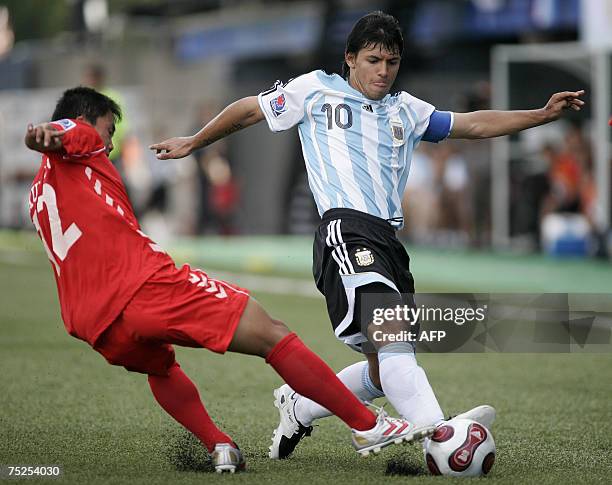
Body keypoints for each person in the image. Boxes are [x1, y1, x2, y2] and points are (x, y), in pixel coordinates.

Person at [150, 11, 585, 460]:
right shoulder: (314, 89)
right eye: (374, 59)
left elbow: (471, 124)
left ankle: (298, 407)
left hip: (390, 244)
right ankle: (439, 434)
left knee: (382, 370)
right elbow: (248, 110)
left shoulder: (407, 110)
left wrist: (540, 115)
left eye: (392, 62)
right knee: (393, 341)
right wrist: (194, 142)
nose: (383, 70)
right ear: (350, 58)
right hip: (345, 230)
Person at [24, 87, 432, 474]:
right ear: (84, 120)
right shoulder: (81, 140)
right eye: (109, 131)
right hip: (143, 285)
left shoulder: (39, 190)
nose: (109, 144)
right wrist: (50, 132)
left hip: (93, 323)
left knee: (162, 369)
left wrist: (51, 140)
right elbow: (70, 133)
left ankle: (219, 445)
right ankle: (366, 426)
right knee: (271, 333)